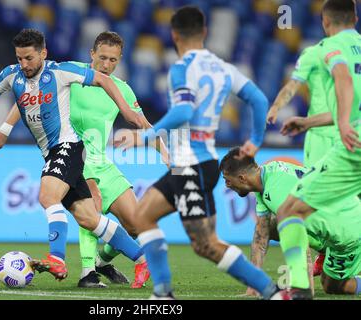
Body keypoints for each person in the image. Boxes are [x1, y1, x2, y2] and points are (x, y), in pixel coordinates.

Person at [116, 6, 284, 300]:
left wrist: (144, 136)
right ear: (204, 32)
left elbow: (183, 109)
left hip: (192, 166)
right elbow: (258, 99)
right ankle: (163, 294)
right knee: (142, 218)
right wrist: (255, 140)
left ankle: (270, 291)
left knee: (207, 245)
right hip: (188, 165)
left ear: (173, 35)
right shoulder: (224, 68)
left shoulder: (180, 68)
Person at [0, 31, 169, 288]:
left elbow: (142, 123)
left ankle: (95, 261)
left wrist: (168, 155)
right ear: (92, 54)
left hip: (95, 158)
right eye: (102, 57)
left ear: (120, 60)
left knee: (132, 223)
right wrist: (5, 129)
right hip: (75, 153)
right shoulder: (72, 74)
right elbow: (27, 97)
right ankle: (89, 272)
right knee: (91, 209)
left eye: (113, 60)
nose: (106, 64)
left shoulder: (122, 89)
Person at [273, 0, 361, 299]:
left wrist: (345, 123)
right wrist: (309, 122)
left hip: (353, 147)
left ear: (325, 21)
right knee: (334, 285)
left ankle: (299, 290)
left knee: (287, 212)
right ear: (356, 18)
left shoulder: (330, 46)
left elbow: (343, 78)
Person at [220, 147, 361, 296]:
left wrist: (304, 288)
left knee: (332, 286)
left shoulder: (277, 192)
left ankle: (327, 256)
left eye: (228, 180)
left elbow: (299, 239)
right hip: (334, 221)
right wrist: (254, 284)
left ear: (242, 178)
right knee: (271, 226)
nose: (227, 185)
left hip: (349, 232)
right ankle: (324, 252)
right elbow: (261, 234)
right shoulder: (267, 175)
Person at [266, 40, 336, 277]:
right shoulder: (323, 53)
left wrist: (276, 107)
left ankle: (325, 259)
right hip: (328, 137)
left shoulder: (313, 53)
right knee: (318, 204)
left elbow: (293, 86)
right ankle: (326, 254)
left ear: (325, 21)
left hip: (324, 137)